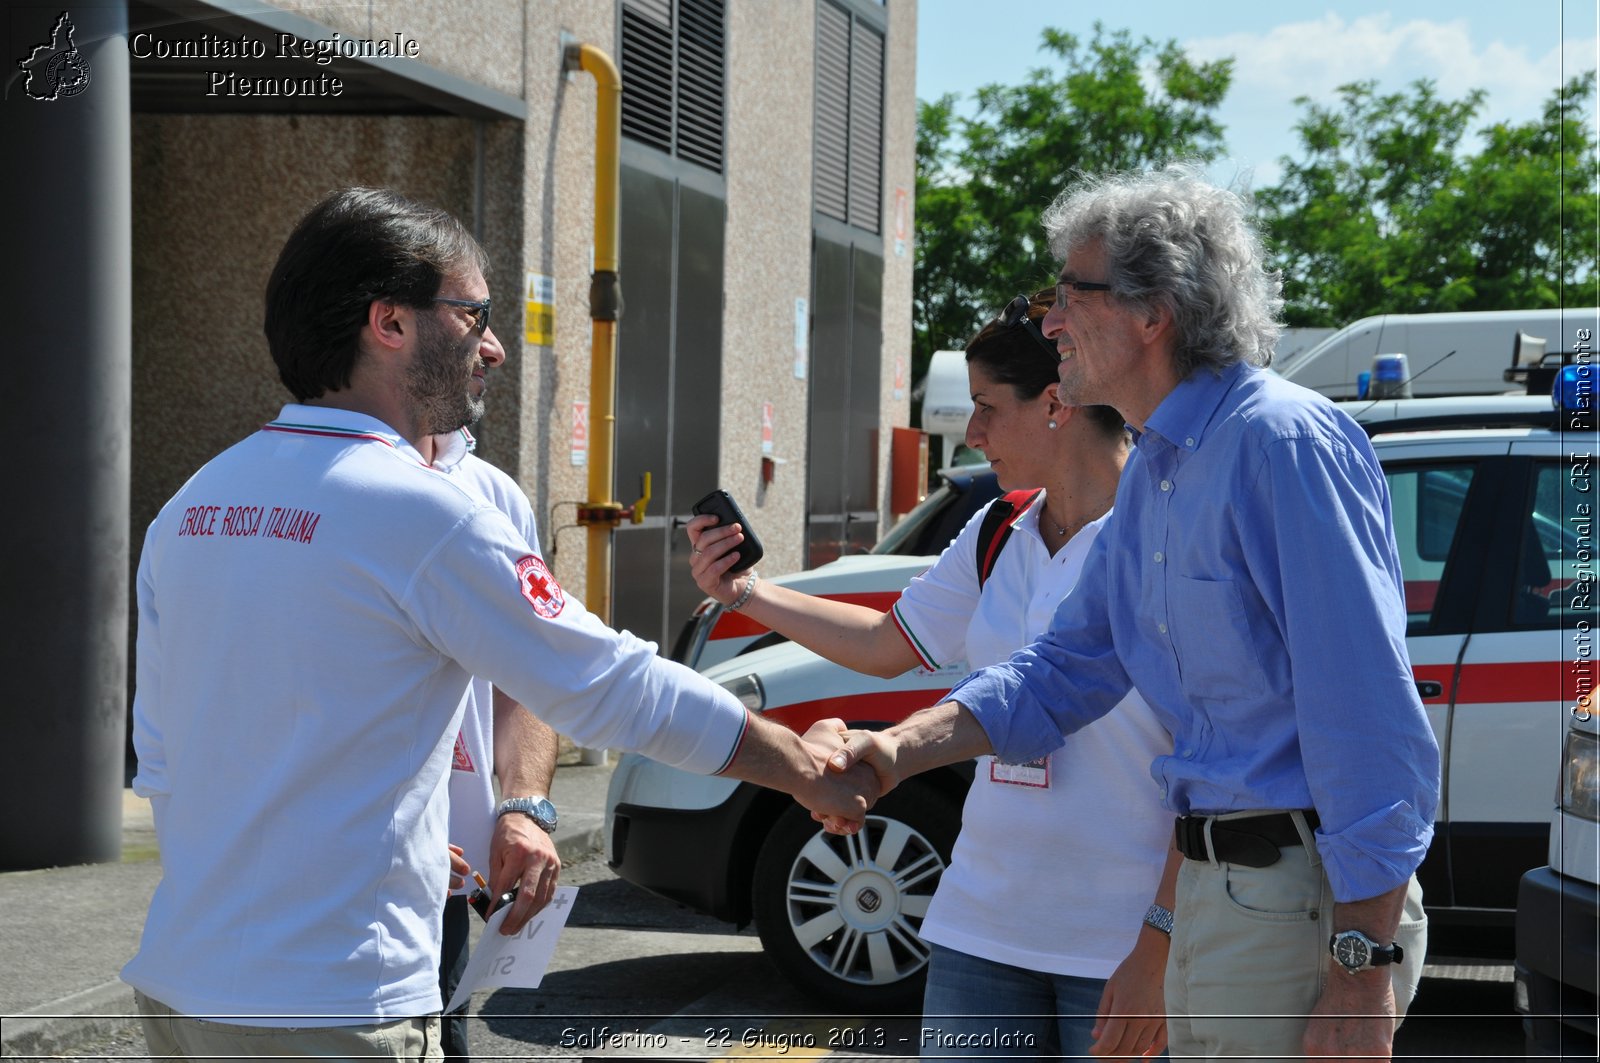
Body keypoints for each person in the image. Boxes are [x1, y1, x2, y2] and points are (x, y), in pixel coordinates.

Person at [123, 186, 875, 1062]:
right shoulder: (420, 512)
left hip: (184, 985)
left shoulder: (193, 505)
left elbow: (171, 761)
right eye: (473, 313)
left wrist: (393, 838)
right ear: (390, 324)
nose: (496, 346)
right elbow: (609, 684)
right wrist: (803, 771)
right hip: (329, 1001)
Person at [816, 165, 1438, 1062]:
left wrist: (1361, 964)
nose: (1049, 320)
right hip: (1226, 899)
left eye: (1070, 292)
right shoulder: (1159, 467)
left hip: (1299, 904)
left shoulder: (1280, 443)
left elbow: (1370, 718)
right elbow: (1066, 666)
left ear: (1156, 313)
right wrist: (898, 748)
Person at [688, 289, 1177, 1060]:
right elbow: (889, 642)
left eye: (986, 406)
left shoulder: (1165, 533)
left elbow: (1220, 762)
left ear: (1057, 402)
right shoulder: (996, 529)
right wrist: (746, 593)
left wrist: (1164, 936)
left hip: (1119, 944)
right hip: (982, 930)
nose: (971, 430)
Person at [430, 425, 563, 1063]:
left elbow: (531, 672)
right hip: (324, 896)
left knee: (442, 1042)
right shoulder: (322, 493)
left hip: (450, 888)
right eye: (471, 317)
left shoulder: (495, 495)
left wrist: (524, 804)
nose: (494, 347)